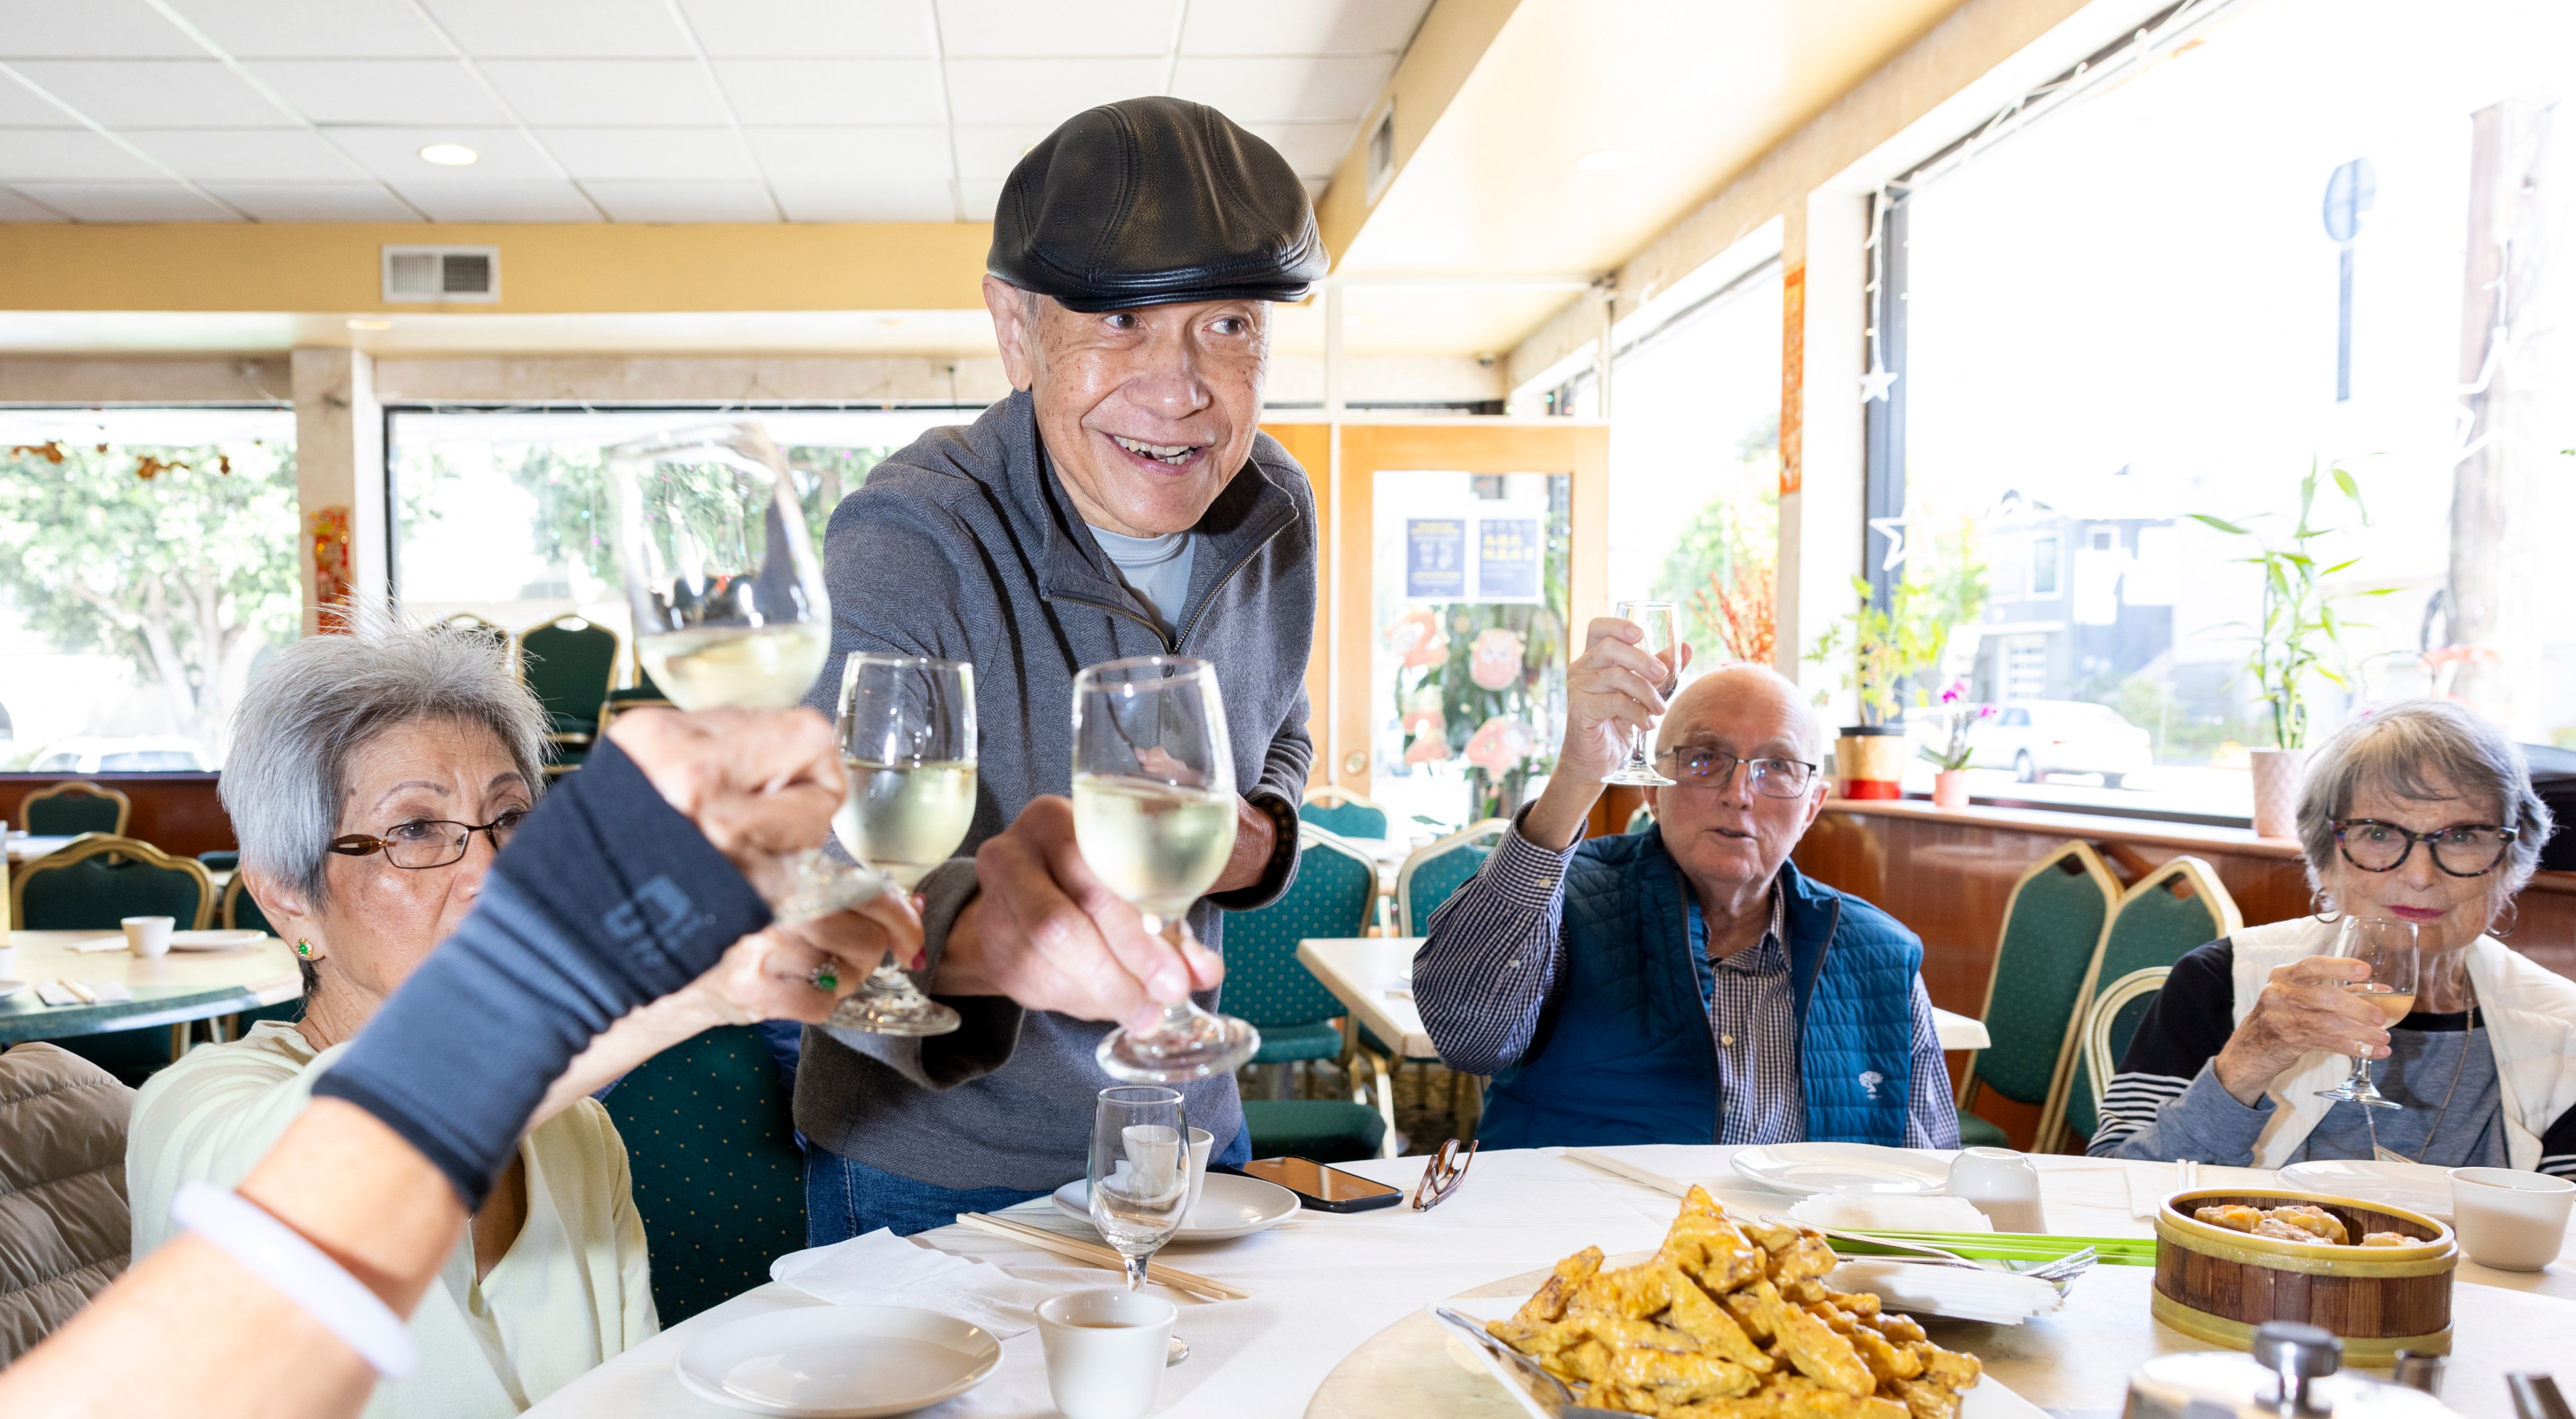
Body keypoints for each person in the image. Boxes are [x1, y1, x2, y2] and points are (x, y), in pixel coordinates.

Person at [0, 705, 894, 1419]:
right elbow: (319, 1167)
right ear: (289, 897)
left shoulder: (576, 1133)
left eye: (515, 821)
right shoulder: (197, 1107)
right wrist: (654, 988)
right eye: (417, 831)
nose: (489, 872)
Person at [794, 96, 1326, 1237]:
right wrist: (988, 938)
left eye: (1229, 325)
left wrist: (1256, 832)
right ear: (1016, 327)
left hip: (1190, 1123)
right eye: (1122, 321)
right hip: (938, 1165)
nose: (1179, 387)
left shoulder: (1277, 509)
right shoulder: (909, 534)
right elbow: (812, 867)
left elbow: (1282, 726)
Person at [1415, 633, 1962, 1150]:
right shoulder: (1567, 898)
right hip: (1581, 1243)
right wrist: (1578, 775)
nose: (1739, 794)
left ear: (1811, 809)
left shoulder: (1880, 956)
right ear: (1654, 790)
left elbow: (1927, 1179)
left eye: (1777, 767)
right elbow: (1467, 1034)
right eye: (1704, 759)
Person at [2090, 699, 2576, 1174]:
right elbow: (2114, 1184)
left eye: (2463, 836)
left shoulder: (2563, 1027)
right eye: (2380, 834)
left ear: (2513, 863)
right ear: (2325, 858)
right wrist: (2248, 1061)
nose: (2421, 875)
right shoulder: (2222, 980)